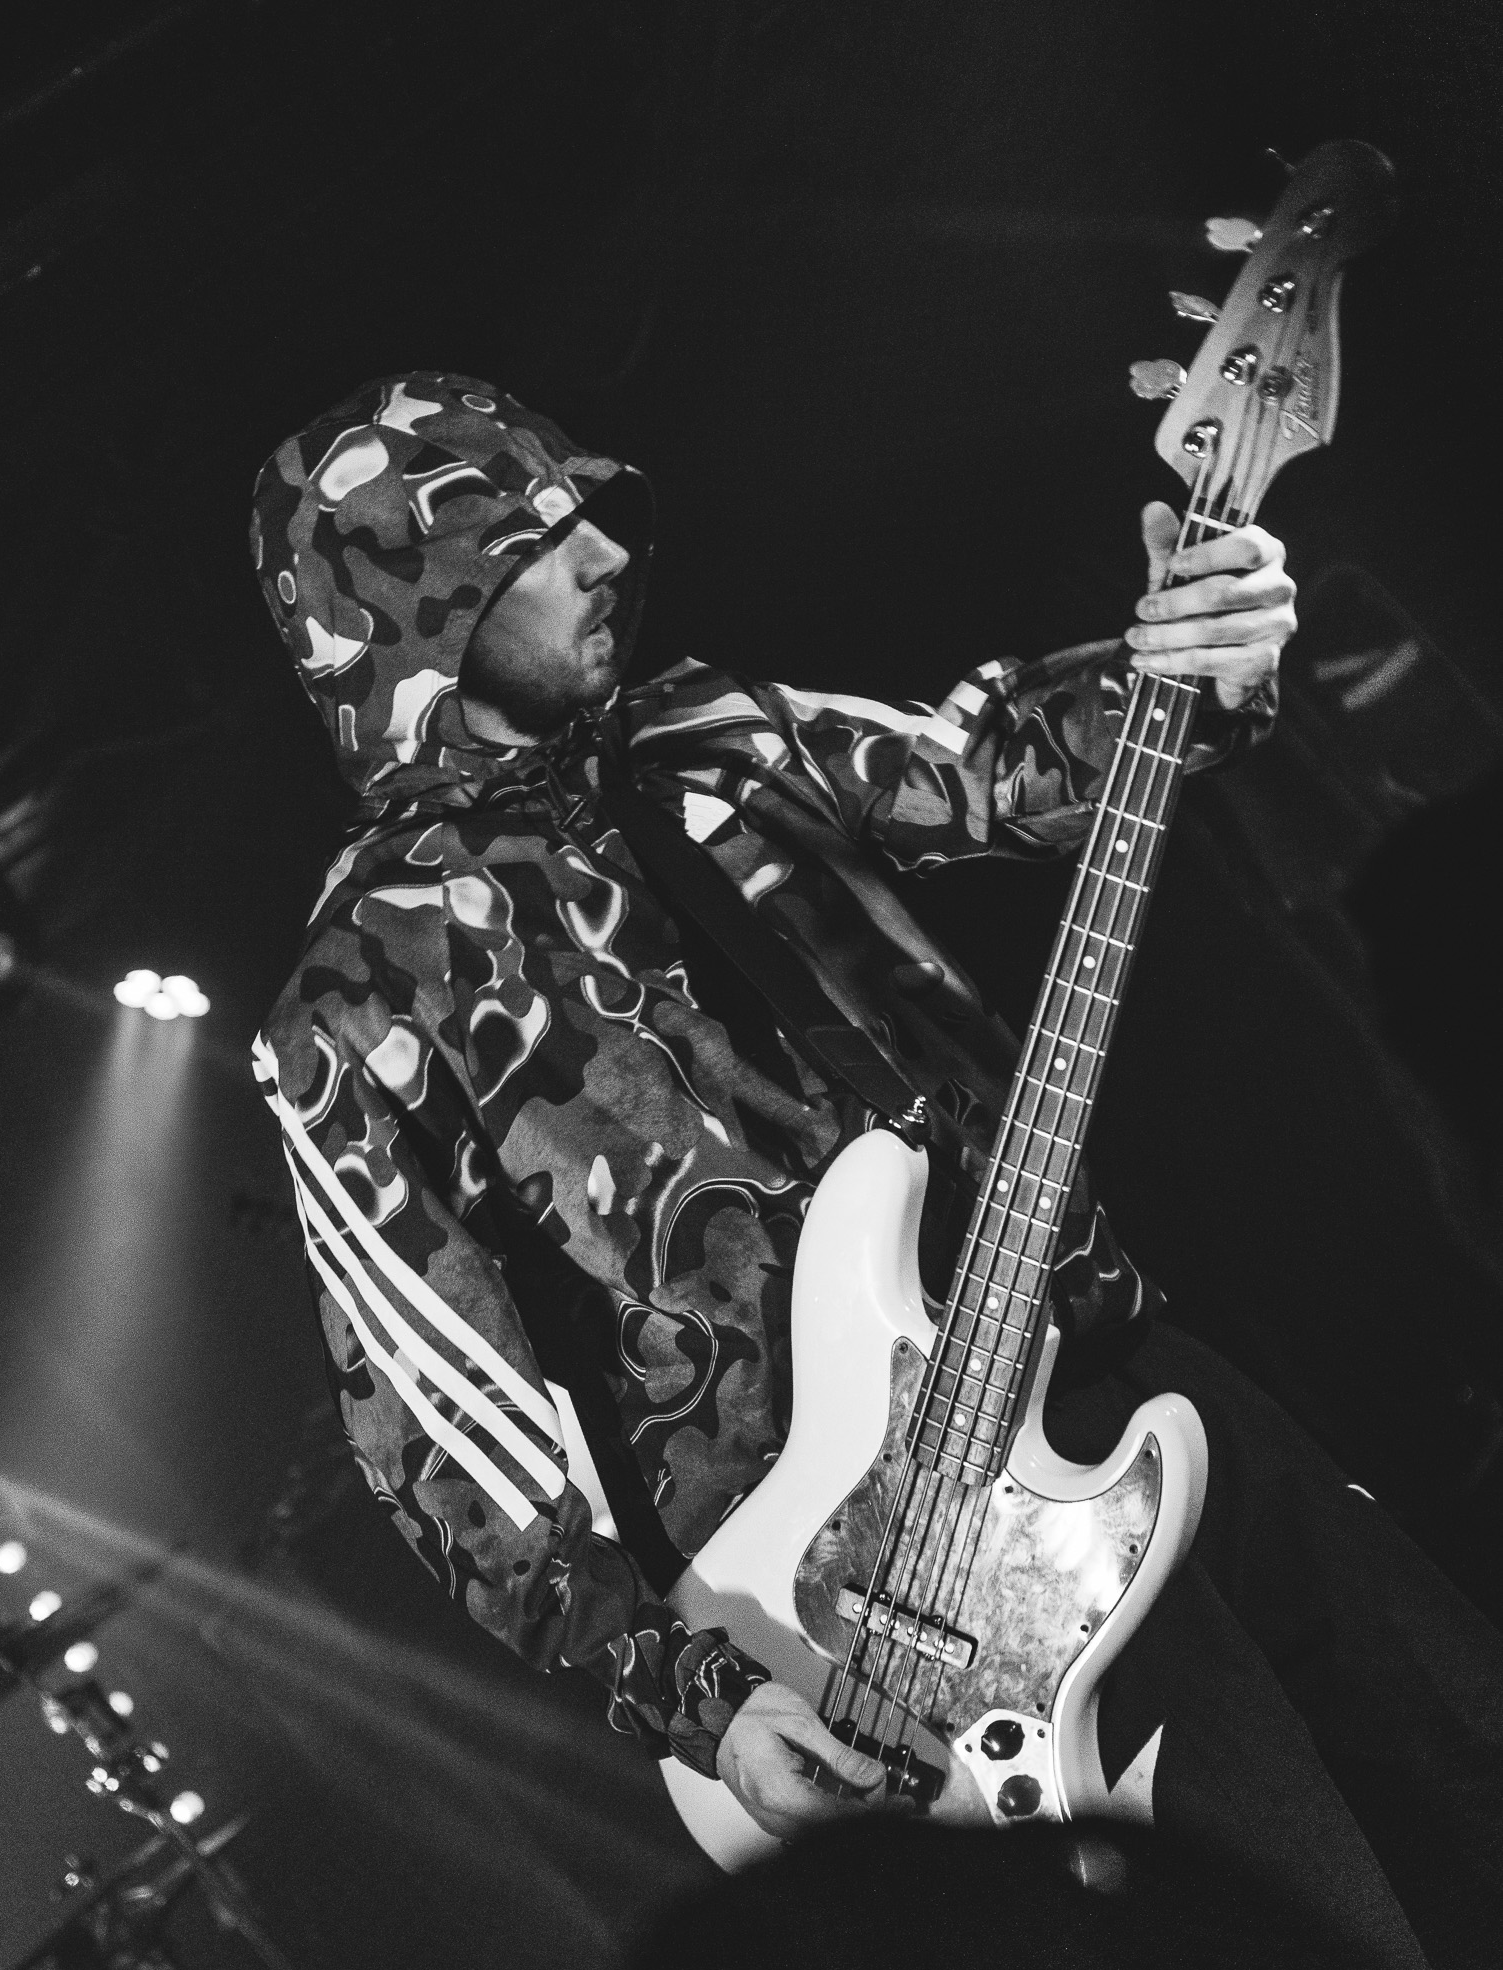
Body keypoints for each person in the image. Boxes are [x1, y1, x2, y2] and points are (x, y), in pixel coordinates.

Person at [251, 372, 1499, 1969]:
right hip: (903, 1596)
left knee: (1461, 1763)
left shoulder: (705, 737)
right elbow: (444, 1440)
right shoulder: (357, 996)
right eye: (537, 540)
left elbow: (989, 763)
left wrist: (1195, 655)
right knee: (1308, 1921)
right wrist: (698, 1695)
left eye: (589, 518)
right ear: (408, 612)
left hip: (1126, 1382)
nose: (606, 556)